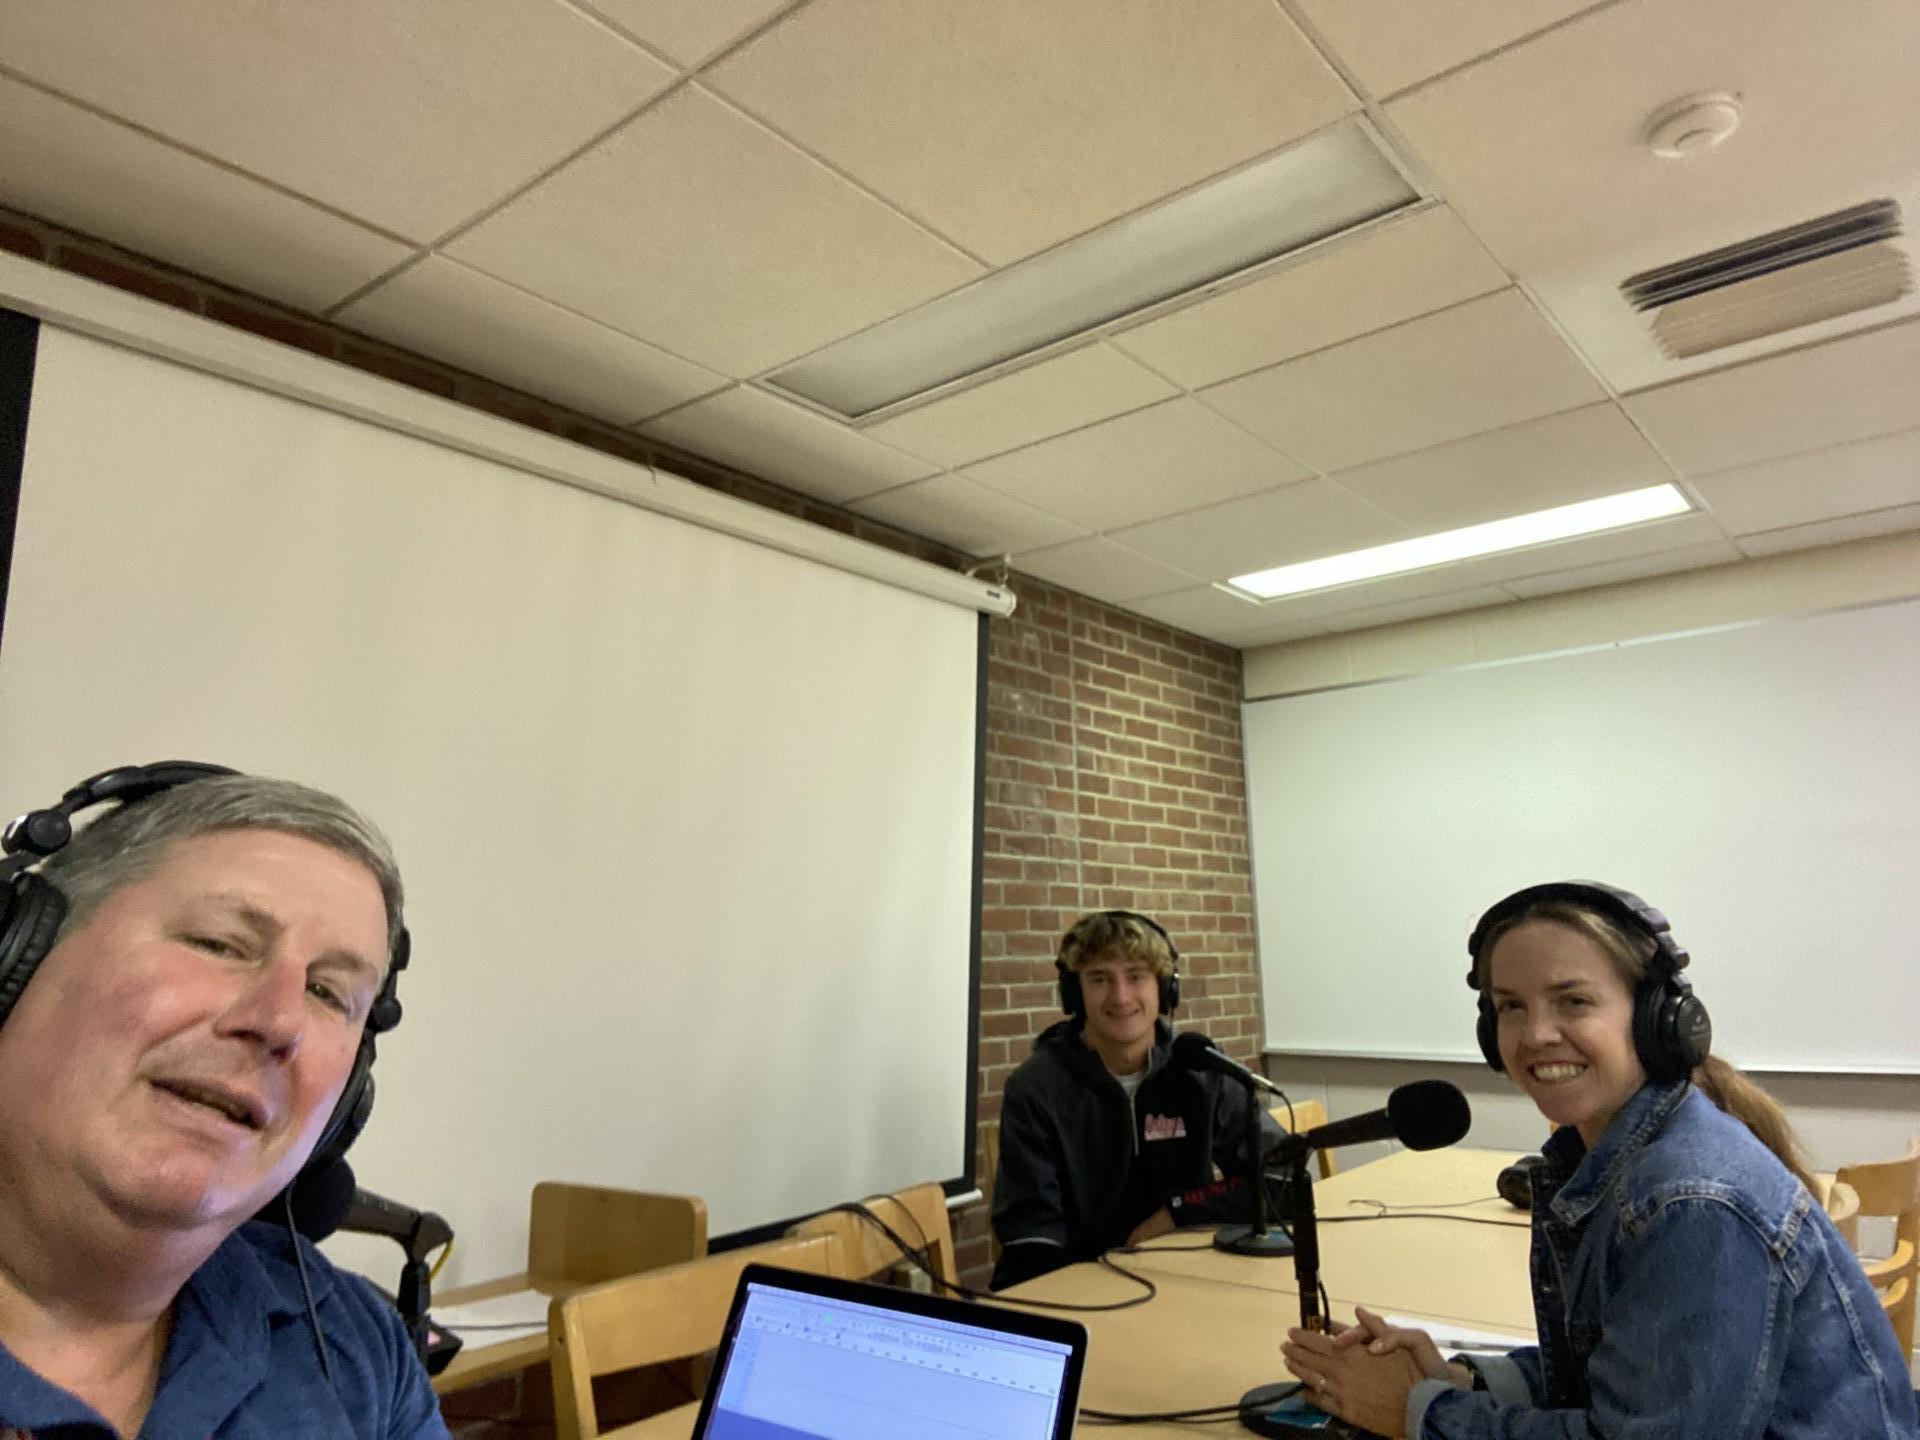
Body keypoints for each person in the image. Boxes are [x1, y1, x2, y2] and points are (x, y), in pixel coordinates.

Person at [1281, 880, 1920, 1439]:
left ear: (1657, 1020)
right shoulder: (1608, 1155)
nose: (1535, 1035)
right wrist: (1460, 1379)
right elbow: (1629, 1374)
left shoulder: (1691, 1200)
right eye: (1511, 1007)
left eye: (1574, 1001)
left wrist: (1417, 1412)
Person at [0, 763, 450, 1439]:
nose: (278, 1021)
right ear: (17, 961)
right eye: (218, 944)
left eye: (327, 994)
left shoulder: (355, 1348)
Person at [989, 909, 1284, 1289]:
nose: (1120, 996)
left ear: (1164, 988)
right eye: (1099, 979)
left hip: (1189, 1279)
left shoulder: (1201, 1071)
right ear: (1074, 993)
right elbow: (1031, 1237)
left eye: (1136, 976)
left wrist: (1178, 1214)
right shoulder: (1036, 1088)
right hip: (1085, 1288)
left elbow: (1280, 1176)